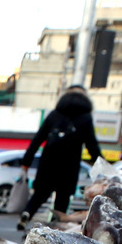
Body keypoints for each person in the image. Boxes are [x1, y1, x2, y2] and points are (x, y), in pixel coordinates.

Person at [17, 85, 103, 229]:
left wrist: (26, 162)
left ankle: (27, 212)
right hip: (69, 166)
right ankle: (54, 227)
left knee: (39, 195)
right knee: (62, 200)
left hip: (48, 163)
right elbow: (92, 145)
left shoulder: (54, 114)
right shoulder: (85, 118)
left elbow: (37, 140)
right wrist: (101, 166)